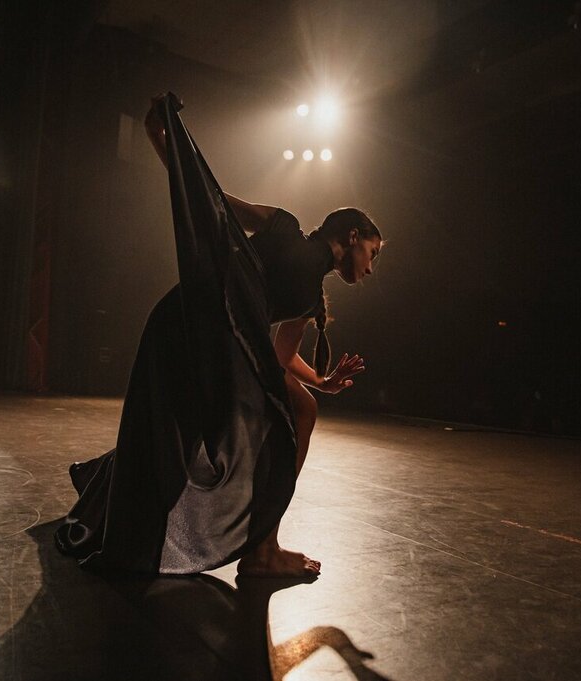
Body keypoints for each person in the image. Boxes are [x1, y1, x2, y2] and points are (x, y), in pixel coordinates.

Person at [55, 94, 382, 578]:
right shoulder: (284, 226)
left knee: (196, 436)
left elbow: (281, 355)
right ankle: (261, 549)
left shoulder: (311, 296)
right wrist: (160, 137)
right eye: (373, 253)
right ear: (353, 236)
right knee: (258, 421)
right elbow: (211, 199)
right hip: (191, 325)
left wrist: (321, 381)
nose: (371, 269)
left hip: (220, 347)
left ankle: (254, 545)